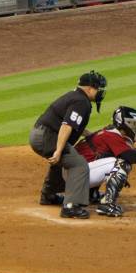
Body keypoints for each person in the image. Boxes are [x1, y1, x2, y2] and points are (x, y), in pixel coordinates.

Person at [28, 71, 107, 219]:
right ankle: (71, 206)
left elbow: (74, 124)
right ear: (90, 88)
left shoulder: (75, 96)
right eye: (99, 89)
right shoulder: (81, 102)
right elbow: (66, 125)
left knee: (64, 160)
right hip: (47, 136)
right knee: (78, 164)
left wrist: (90, 135)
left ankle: (49, 196)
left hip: (40, 134)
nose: (100, 92)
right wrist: (58, 150)